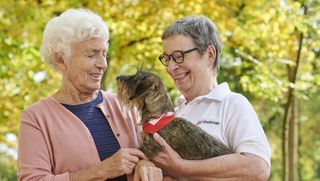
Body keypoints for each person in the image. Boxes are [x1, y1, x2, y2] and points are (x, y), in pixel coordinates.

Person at [17, 9, 162, 181]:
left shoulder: (124, 104)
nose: (102, 64)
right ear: (61, 60)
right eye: (92, 54)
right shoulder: (35, 118)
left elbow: (151, 154)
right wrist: (102, 170)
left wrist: (146, 164)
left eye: (103, 54)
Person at [154, 15, 271, 180]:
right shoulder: (172, 113)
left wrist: (181, 167)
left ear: (209, 54)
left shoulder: (232, 104)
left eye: (179, 56)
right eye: (166, 59)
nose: (171, 67)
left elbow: (257, 167)